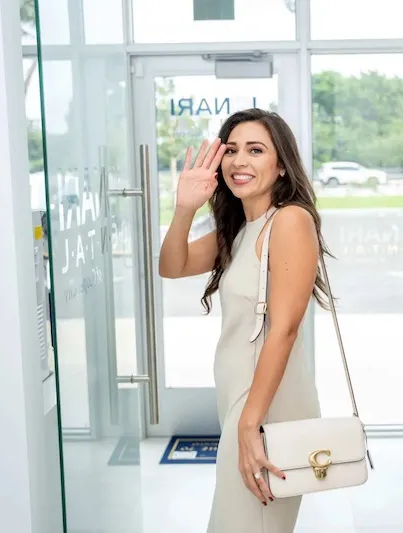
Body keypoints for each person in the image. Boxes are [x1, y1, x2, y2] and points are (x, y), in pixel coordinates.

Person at [158, 108, 329, 532]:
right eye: (231, 150)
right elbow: (172, 265)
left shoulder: (289, 221)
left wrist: (251, 423)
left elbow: (284, 329)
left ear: (282, 165)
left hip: (267, 403)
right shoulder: (237, 229)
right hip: (244, 400)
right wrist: (184, 208)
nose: (239, 161)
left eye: (256, 150)